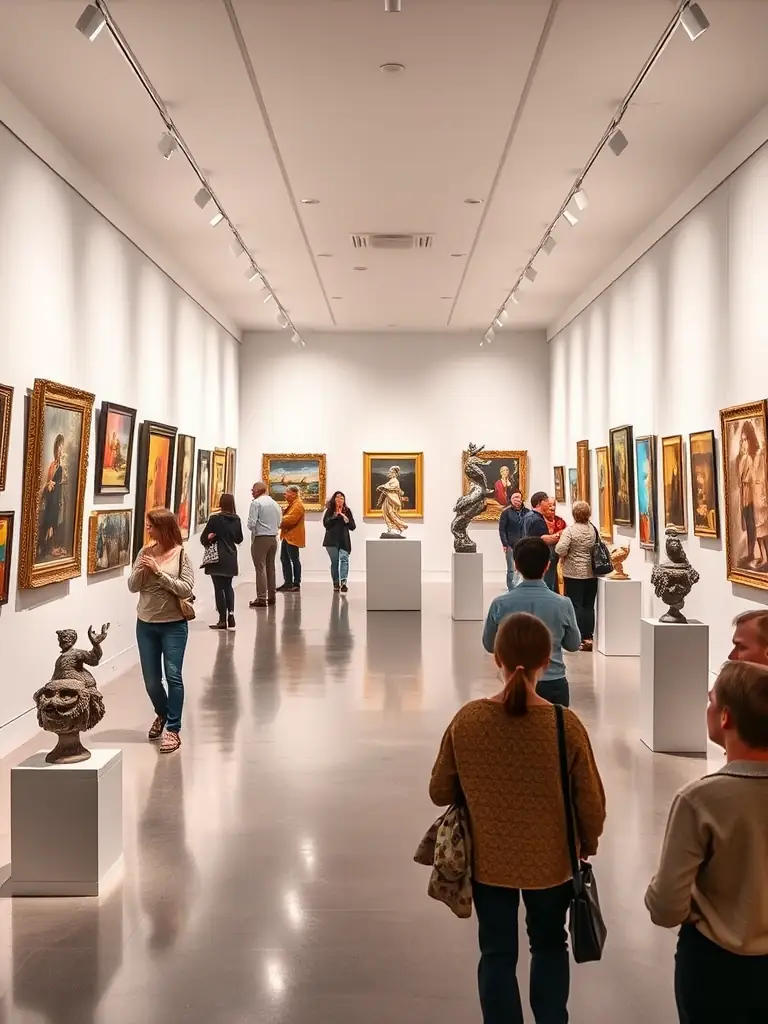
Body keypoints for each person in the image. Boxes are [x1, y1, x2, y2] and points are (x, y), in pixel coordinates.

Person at [430, 611, 606, 1024]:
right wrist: (587, 843)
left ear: (497, 659)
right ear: (548, 661)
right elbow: (591, 804)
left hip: (489, 863)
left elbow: (439, 790)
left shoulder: (469, 720)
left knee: (496, 952)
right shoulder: (565, 724)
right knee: (548, 945)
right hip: (551, 863)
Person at [645, 660, 768, 1023]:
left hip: (715, 968)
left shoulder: (700, 800)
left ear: (726, 717)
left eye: (710, 699)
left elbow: (665, 906)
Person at [482, 538, 580, 706]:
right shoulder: (563, 604)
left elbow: (490, 644)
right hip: (553, 680)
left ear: (516, 565)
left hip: (514, 680)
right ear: (547, 565)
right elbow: (573, 644)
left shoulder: (500, 603)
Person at [128, 508, 194, 753]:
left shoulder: (181, 555)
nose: (147, 529)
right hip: (145, 624)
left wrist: (159, 573)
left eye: (151, 525)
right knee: (152, 682)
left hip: (174, 625)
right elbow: (132, 587)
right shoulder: (144, 553)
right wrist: (143, 571)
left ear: (163, 528)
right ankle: (162, 713)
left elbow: (185, 588)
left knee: (173, 676)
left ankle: (173, 729)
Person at [556, 500, 597, 651]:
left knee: (576, 606)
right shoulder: (593, 530)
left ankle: (577, 637)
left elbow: (561, 549)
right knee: (588, 606)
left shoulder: (570, 531)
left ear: (574, 514)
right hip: (591, 574)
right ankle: (588, 637)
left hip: (573, 574)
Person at [201, 492, 243, 630]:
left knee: (218, 588)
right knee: (228, 586)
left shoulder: (215, 519)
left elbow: (203, 539)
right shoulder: (236, 519)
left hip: (218, 556)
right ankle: (231, 615)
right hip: (231, 555)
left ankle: (221, 620)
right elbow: (239, 539)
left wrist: (211, 536)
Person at [247, 481, 282, 609]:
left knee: (260, 567)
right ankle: (272, 596)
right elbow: (279, 522)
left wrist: (256, 530)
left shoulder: (256, 503)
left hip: (261, 537)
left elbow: (251, 523)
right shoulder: (275, 504)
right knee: (270, 567)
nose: (252, 492)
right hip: (273, 538)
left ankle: (261, 597)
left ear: (259, 490)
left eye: (253, 490)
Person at [523, 491, 562, 592]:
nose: (549, 505)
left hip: (530, 555)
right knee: (548, 585)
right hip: (540, 557)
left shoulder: (528, 516)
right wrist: (560, 535)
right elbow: (544, 539)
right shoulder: (537, 520)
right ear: (540, 503)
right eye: (546, 501)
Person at [323, 490, 356, 592]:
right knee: (335, 561)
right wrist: (336, 516)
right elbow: (326, 524)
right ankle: (336, 582)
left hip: (344, 540)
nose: (340, 499)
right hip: (331, 541)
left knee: (344, 559)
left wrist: (346, 519)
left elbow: (353, 527)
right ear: (334, 499)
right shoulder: (329, 510)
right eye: (338, 497)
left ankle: (343, 582)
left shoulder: (347, 510)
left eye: (342, 498)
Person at [277, 485, 306, 593]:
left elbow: (290, 520)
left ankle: (296, 583)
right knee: (284, 558)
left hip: (293, 536)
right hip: (287, 536)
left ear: (294, 494)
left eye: (287, 492)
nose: (285, 494)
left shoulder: (298, 505)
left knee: (294, 559)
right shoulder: (293, 504)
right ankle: (288, 582)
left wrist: (277, 519)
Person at [498, 489, 528, 590]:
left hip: (524, 544)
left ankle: (521, 586)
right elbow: (502, 529)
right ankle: (511, 588)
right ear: (510, 499)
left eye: (519, 497)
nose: (517, 500)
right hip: (510, 544)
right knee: (511, 568)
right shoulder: (506, 513)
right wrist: (505, 544)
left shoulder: (527, 512)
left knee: (523, 566)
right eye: (515, 497)